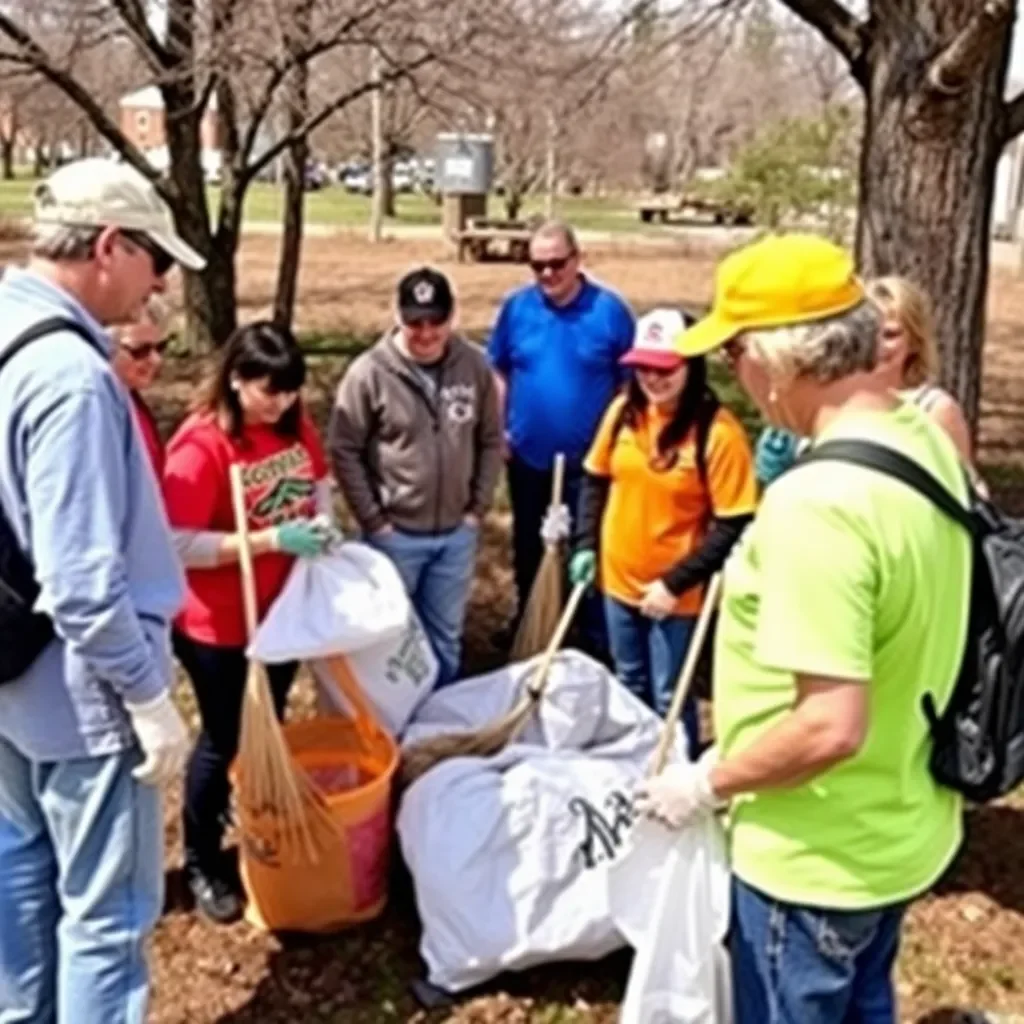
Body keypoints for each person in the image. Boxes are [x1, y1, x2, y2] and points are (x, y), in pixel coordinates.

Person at [635, 234, 972, 1023]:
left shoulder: (817, 506)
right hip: (899, 822)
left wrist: (705, 781)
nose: (734, 377)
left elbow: (828, 725)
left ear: (776, 360)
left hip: (811, 857)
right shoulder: (923, 441)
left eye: (734, 355)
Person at [0, 157, 204, 1023]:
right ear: (109, 246)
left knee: (18, 882)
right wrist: (149, 697)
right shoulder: (74, 379)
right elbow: (83, 585)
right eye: (154, 259)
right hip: (82, 697)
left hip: (10, 681)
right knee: (104, 922)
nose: (158, 284)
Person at [162, 321, 335, 924]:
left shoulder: (293, 427)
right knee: (224, 736)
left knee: (269, 719)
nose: (282, 404)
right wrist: (266, 540)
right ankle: (203, 857)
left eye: (290, 392)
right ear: (236, 381)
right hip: (219, 625)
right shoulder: (199, 446)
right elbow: (178, 543)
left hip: (282, 614)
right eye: (270, 392)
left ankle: (252, 804)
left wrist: (323, 522)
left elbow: (318, 482)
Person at [570, 309, 756, 754]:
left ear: (691, 364)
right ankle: (633, 767)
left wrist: (675, 583)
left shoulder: (719, 433)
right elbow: (595, 480)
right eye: (643, 367)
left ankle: (677, 770)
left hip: (675, 594)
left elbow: (733, 522)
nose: (653, 378)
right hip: (618, 579)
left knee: (670, 693)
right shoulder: (622, 413)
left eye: (665, 368)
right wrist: (585, 545)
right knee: (629, 680)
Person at [329, 266, 502, 687]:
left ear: (451, 317)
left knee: (445, 636)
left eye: (435, 321)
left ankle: (440, 726)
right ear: (397, 316)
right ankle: (392, 725)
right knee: (390, 638)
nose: (425, 333)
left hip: (455, 534)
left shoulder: (473, 366)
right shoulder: (369, 372)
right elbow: (344, 449)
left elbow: (491, 439)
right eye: (414, 322)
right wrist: (374, 520)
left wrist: (477, 508)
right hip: (395, 533)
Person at [487, 219, 635, 655]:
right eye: (537, 266)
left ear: (576, 260)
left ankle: (592, 635)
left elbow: (628, 385)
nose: (548, 274)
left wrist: (615, 443)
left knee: (587, 548)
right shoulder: (517, 309)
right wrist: (501, 431)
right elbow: (498, 368)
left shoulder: (609, 312)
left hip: (590, 463)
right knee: (530, 546)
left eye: (556, 264)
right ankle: (531, 624)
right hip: (528, 457)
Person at [754, 274, 986, 494]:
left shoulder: (935, 410)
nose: (880, 345)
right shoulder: (825, 399)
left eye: (891, 335)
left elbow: (964, 492)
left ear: (915, 342)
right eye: (872, 334)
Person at [110, 294, 172, 476]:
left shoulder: (132, 401)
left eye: (160, 347)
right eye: (140, 351)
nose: (155, 360)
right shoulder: (98, 410)